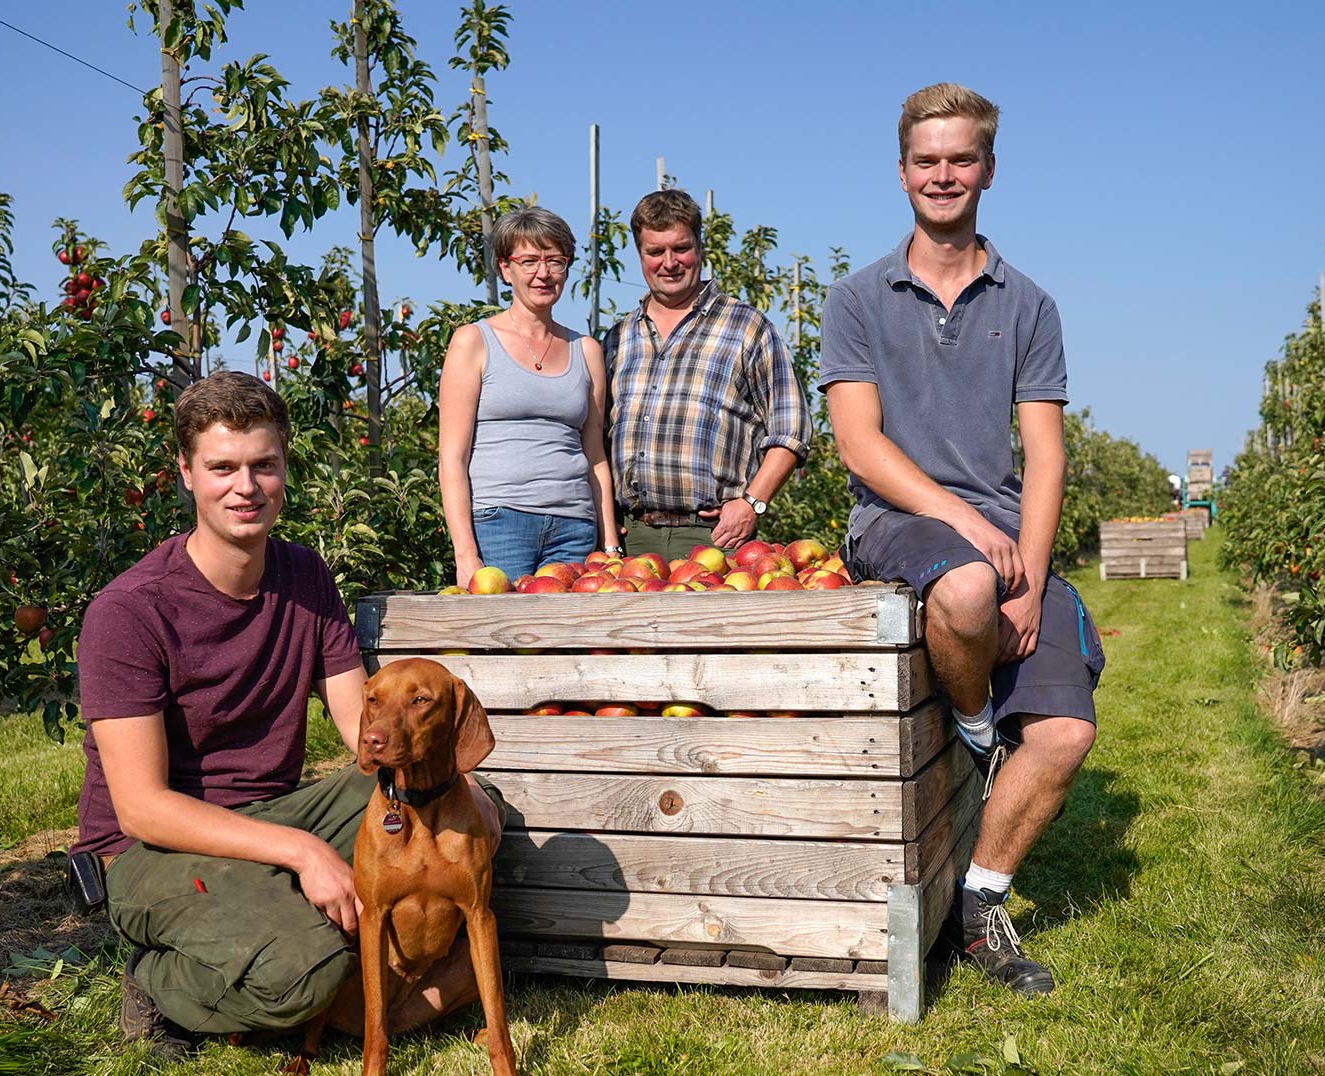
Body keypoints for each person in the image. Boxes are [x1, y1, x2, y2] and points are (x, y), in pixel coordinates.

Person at [73, 371, 504, 1051]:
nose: (245, 487)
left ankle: (387, 969)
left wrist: (447, 781)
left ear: (283, 471)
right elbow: (141, 809)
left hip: (272, 809)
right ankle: (162, 983)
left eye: (263, 466)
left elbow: (360, 732)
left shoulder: (304, 576)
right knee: (311, 968)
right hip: (150, 850)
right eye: (222, 468)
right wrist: (304, 852)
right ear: (186, 473)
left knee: (471, 802)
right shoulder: (128, 612)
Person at [818, 83, 1103, 996]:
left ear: (988, 169)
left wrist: (1036, 571)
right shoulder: (857, 299)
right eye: (927, 160)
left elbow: (1047, 457)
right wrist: (973, 526)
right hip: (899, 522)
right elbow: (859, 442)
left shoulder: (1029, 303)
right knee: (971, 587)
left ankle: (979, 906)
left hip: (1005, 532)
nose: (944, 175)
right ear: (902, 172)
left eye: (961, 159)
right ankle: (979, 730)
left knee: (1062, 733)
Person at [603, 189, 811, 561]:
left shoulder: (746, 327)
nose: (669, 262)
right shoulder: (619, 338)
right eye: (655, 252)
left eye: (680, 248)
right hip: (630, 539)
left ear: (700, 247)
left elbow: (791, 429)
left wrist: (753, 503)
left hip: (714, 536)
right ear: (640, 255)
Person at [439, 206, 618, 584]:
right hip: (500, 523)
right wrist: (466, 554)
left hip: (575, 528)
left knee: (571, 640)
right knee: (503, 639)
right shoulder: (474, 342)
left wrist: (610, 545)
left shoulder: (586, 350)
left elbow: (595, 455)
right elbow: (452, 458)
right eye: (530, 260)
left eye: (555, 261)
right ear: (506, 268)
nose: (543, 273)